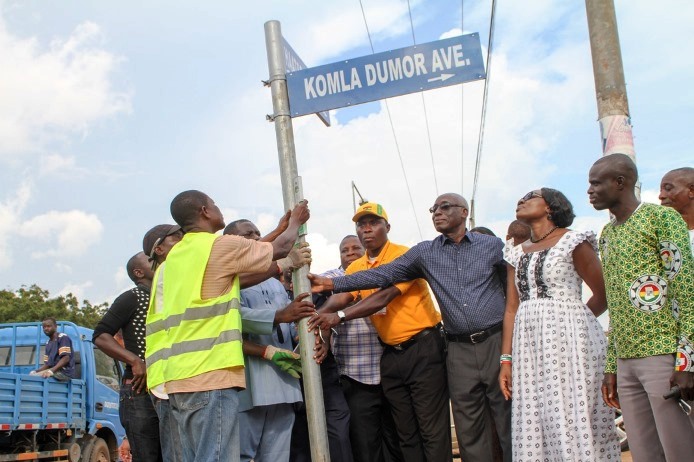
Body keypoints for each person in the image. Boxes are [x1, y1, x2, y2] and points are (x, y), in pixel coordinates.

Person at [309, 194, 511, 462]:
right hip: (424, 352)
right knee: (447, 429)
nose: (437, 212)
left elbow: (385, 293)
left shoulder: (487, 246)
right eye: (434, 209)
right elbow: (372, 280)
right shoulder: (420, 254)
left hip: (449, 345)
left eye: (445, 207)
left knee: (494, 421)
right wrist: (326, 296)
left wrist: (340, 315)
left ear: (464, 212)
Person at [145, 191, 313, 462]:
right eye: (214, 204)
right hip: (211, 374)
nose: (218, 208)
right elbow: (280, 248)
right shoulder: (216, 246)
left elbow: (240, 261)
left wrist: (278, 233)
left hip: (177, 379)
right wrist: (296, 222)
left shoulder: (175, 260)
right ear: (204, 211)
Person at [308, 202, 450, 462]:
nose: (366, 229)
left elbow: (383, 297)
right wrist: (316, 317)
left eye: (373, 223)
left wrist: (338, 317)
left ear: (388, 227)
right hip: (391, 354)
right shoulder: (357, 267)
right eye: (361, 225)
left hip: (423, 348)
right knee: (406, 432)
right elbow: (342, 297)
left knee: (431, 429)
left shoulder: (404, 256)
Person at [498, 188, 620, 460]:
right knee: (536, 414)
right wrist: (506, 359)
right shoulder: (515, 254)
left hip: (572, 343)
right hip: (529, 347)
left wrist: (572, 321)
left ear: (551, 207)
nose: (521, 200)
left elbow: (603, 294)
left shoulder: (573, 242)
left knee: (571, 410)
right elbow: (511, 309)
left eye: (531, 196)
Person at [588, 154, 694, 461]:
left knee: (679, 448)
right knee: (643, 451)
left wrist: (686, 362)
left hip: (662, 353)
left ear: (620, 183)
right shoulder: (607, 234)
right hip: (625, 360)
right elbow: (616, 305)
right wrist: (612, 367)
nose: (590, 191)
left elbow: (685, 291)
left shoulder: (661, 219)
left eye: (596, 183)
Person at [224, 219, 309, 462]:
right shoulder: (228, 278)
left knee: (277, 455)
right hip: (251, 382)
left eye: (257, 233)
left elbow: (289, 319)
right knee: (241, 454)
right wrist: (279, 316)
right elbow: (230, 318)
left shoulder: (274, 280)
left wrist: (297, 330)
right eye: (247, 235)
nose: (255, 238)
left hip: (284, 378)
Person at [323, 235, 402, 462]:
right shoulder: (334, 278)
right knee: (365, 443)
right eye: (344, 250)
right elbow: (322, 290)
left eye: (355, 248)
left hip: (388, 368)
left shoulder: (380, 273)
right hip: (354, 374)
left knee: (395, 438)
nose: (350, 253)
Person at [93, 251, 167, 462]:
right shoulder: (133, 297)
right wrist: (135, 360)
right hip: (139, 391)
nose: (158, 261)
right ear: (138, 272)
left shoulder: (166, 297)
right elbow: (100, 335)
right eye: (151, 260)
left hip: (166, 387)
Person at [140, 224, 184, 462]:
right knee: (179, 455)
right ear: (159, 249)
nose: (184, 239)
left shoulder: (166, 271)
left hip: (171, 377)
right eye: (176, 237)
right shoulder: (171, 268)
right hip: (169, 380)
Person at [659, 167, 694, 254]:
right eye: (661, 190)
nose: (661, 196)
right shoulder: (656, 235)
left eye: (668, 188)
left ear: (691, 191)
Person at [31, 317, 75, 381]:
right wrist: (36, 371)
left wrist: (51, 371)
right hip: (54, 371)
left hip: (64, 372)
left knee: (36, 379)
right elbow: (47, 364)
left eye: (48, 326)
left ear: (55, 327)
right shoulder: (48, 343)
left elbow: (66, 358)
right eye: (44, 327)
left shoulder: (62, 338)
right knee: (32, 376)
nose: (46, 328)